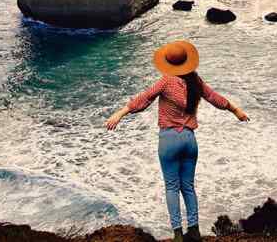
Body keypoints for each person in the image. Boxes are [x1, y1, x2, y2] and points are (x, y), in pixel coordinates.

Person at [105, 40, 249, 242]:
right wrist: (236, 110)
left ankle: (177, 234)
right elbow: (214, 97)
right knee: (188, 186)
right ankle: (195, 230)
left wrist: (119, 114)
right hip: (190, 140)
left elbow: (143, 99)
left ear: (169, 64)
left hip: (169, 139)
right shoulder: (195, 81)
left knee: (172, 187)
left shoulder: (166, 81)